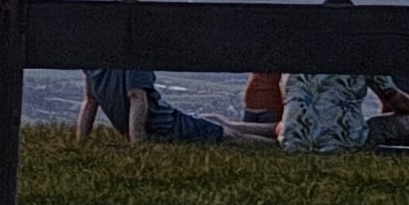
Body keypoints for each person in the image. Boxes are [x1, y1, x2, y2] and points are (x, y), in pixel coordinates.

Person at [280, 0, 409, 152]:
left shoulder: (297, 53)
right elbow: (398, 101)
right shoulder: (360, 53)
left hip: (293, 142)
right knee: (407, 121)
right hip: (347, 143)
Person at [76, 68, 277, 146]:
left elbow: (90, 100)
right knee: (229, 136)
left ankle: (278, 129)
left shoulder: (94, 63)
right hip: (166, 127)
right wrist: (138, 144)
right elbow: (137, 97)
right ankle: (281, 144)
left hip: (168, 120)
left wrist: (80, 142)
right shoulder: (134, 57)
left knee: (214, 120)